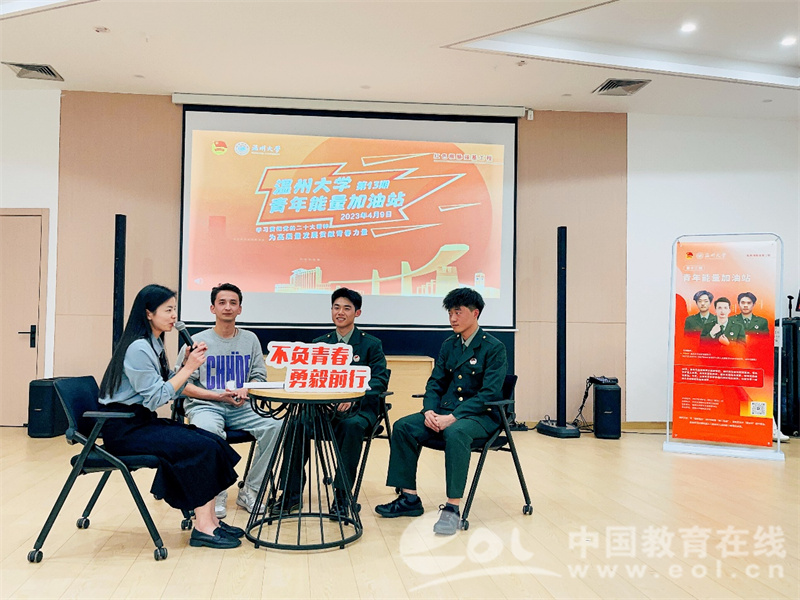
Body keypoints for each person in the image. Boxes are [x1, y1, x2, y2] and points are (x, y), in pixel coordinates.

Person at [98, 284, 243, 549]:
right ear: (148, 313)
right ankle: (204, 528)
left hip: (141, 422)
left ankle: (211, 520)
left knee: (210, 440)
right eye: (167, 310)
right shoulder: (138, 348)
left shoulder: (153, 343)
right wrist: (189, 368)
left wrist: (184, 365)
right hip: (124, 429)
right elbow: (156, 398)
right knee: (200, 447)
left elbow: (167, 388)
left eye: (174, 309)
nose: (174, 316)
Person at [375, 287, 507, 536]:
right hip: (445, 412)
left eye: (458, 312)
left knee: (456, 432)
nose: (452, 318)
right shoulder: (449, 345)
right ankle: (409, 498)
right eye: (450, 313)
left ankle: (452, 509)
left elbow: (489, 394)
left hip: (480, 416)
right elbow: (435, 383)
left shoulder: (493, 347)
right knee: (403, 426)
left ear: (475, 313)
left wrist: (453, 417)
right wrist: (429, 410)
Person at [275, 288, 389, 517]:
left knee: (351, 426)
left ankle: (342, 496)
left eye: (347, 308)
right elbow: (310, 377)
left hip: (357, 410)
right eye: (336, 307)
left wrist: (352, 396)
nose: (340, 312)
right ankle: (290, 494)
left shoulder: (371, 344)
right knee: (295, 424)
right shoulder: (320, 344)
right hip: (323, 410)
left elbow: (379, 380)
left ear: (357, 313)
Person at [178, 283, 282, 518]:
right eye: (222, 303)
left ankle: (251, 490)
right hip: (206, 406)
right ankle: (216, 493)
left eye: (233, 303)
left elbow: (259, 376)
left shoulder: (250, 339)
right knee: (208, 431)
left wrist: (247, 388)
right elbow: (182, 384)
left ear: (240, 309)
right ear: (212, 308)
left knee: (276, 427)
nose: (227, 307)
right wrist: (217, 396)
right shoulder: (196, 341)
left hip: (241, 406)